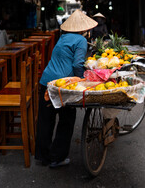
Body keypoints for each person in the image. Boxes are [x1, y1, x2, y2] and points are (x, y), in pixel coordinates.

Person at [35, 9, 98, 168]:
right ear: (84, 29)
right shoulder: (81, 41)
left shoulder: (62, 38)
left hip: (46, 83)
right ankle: (57, 158)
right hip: (63, 87)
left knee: (45, 120)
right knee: (66, 120)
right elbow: (77, 64)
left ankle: (44, 157)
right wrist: (82, 79)